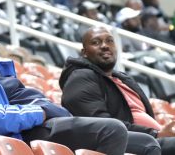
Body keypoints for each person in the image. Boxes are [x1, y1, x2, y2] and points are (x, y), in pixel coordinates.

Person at [0, 23, 143, 155]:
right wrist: (40, 111)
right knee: (112, 130)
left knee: (145, 143)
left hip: (26, 131)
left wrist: (45, 109)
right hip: (22, 133)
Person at [59, 26, 175, 155]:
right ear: (84, 52)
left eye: (109, 41)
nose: (105, 46)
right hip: (123, 142)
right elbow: (102, 124)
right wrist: (156, 133)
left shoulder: (122, 79)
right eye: (96, 42)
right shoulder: (81, 77)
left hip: (152, 139)